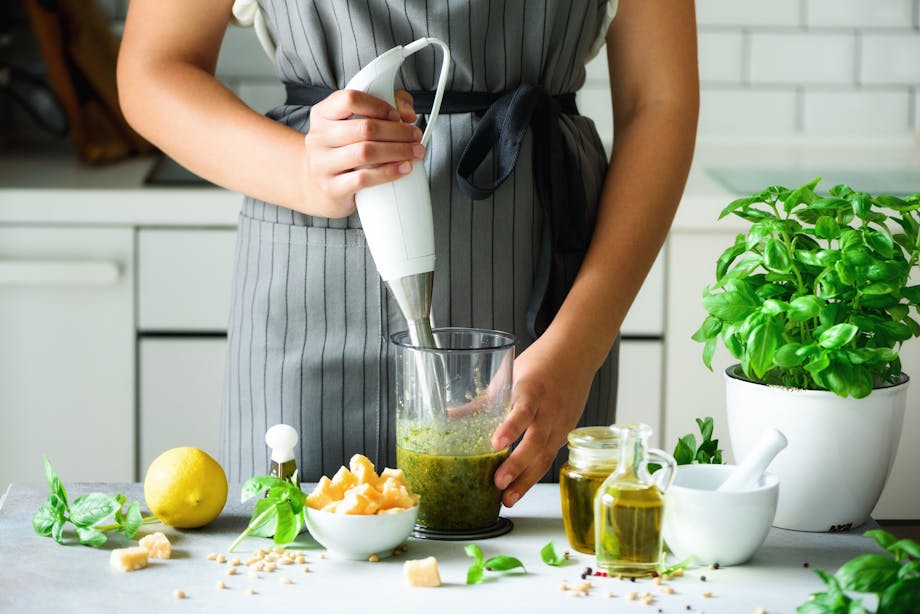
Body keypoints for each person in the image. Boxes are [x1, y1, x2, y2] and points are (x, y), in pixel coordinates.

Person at [117, 0, 698, 508]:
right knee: (292, 570)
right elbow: (153, 68)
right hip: (312, 285)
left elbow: (661, 99)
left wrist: (579, 346)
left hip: (544, 306)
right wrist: (301, 170)